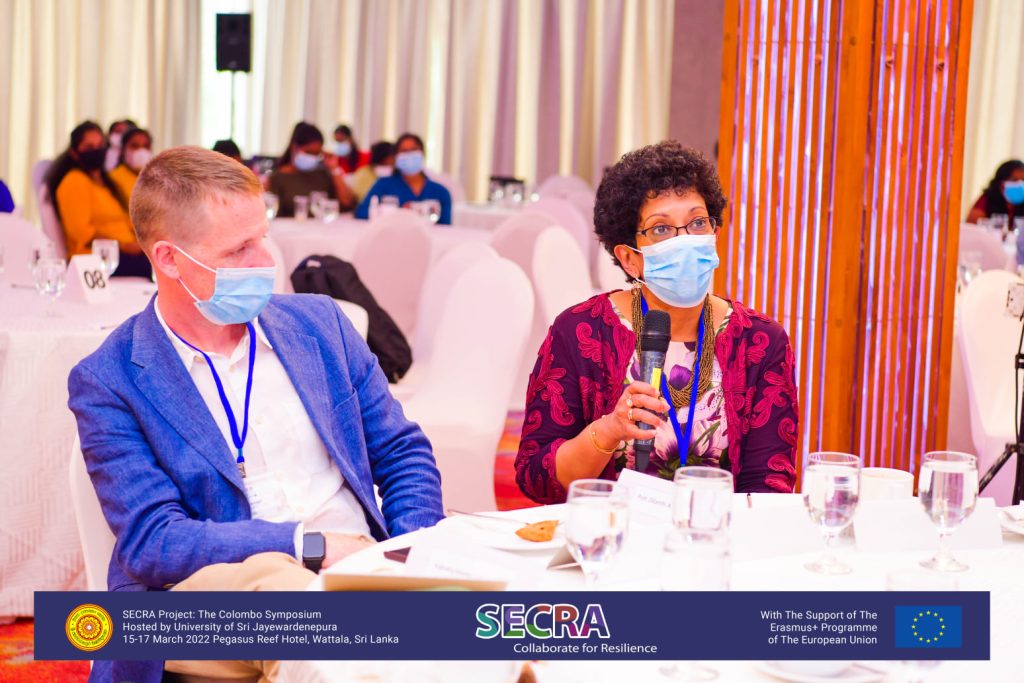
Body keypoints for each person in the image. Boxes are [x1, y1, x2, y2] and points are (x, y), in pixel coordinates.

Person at [67, 146, 444, 683]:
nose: (265, 261)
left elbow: (402, 450)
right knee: (286, 595)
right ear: (169, 259)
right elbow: (155, 542)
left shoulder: (319, 326)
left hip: (360, 566)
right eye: (240, 248)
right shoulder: (110, 378)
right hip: (204, 594)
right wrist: (306, 547)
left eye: (263, 237)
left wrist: (411, 551)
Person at [515, 140, 799, 504]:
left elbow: (769, 489)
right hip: (611, 532)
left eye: (697, 222)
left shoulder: (759, 342)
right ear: (629, 258)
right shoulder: (582, 333)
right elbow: (537, 477)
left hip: (714, 533)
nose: (685, 240)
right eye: (661, 229)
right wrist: (609, 430)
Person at [44, 120, 151, 277]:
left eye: (100, 145)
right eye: (89, 147)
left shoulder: (106, 182)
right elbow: (81, 232)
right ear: (74, 152)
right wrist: (124, 246)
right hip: (95, 258)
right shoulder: (74, 181)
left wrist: (141, 242)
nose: (96, 151)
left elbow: (125, 221)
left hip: (122, 253)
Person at [355, 133, 453, 224]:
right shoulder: (383, 185)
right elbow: (361, 213)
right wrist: (397, 212)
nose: (409, 155)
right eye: (404, 151)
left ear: (422, 154)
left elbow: (446, 227)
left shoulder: (440, 191)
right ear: (396, 156)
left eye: (413, 150)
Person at [268, 121, 356, 217]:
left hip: (321, 226)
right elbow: (272, 215)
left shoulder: (323, 175)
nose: (312, 157)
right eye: (309, 152)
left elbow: (347, 202)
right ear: (295, 147)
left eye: (317, 154)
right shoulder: (278, 178)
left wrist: (334, 169)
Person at [966, 159, 1024, 224]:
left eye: (1023, 180)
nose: (1019, 184)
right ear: (1001, 182)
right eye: (1014, 180)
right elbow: (971, 223)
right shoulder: (987, 199)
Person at [109, 127, 153, 200]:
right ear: (123, 150)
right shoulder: (113, 179)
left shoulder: (155, 179)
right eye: (135, 146)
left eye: (146, 146)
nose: (141, 151)